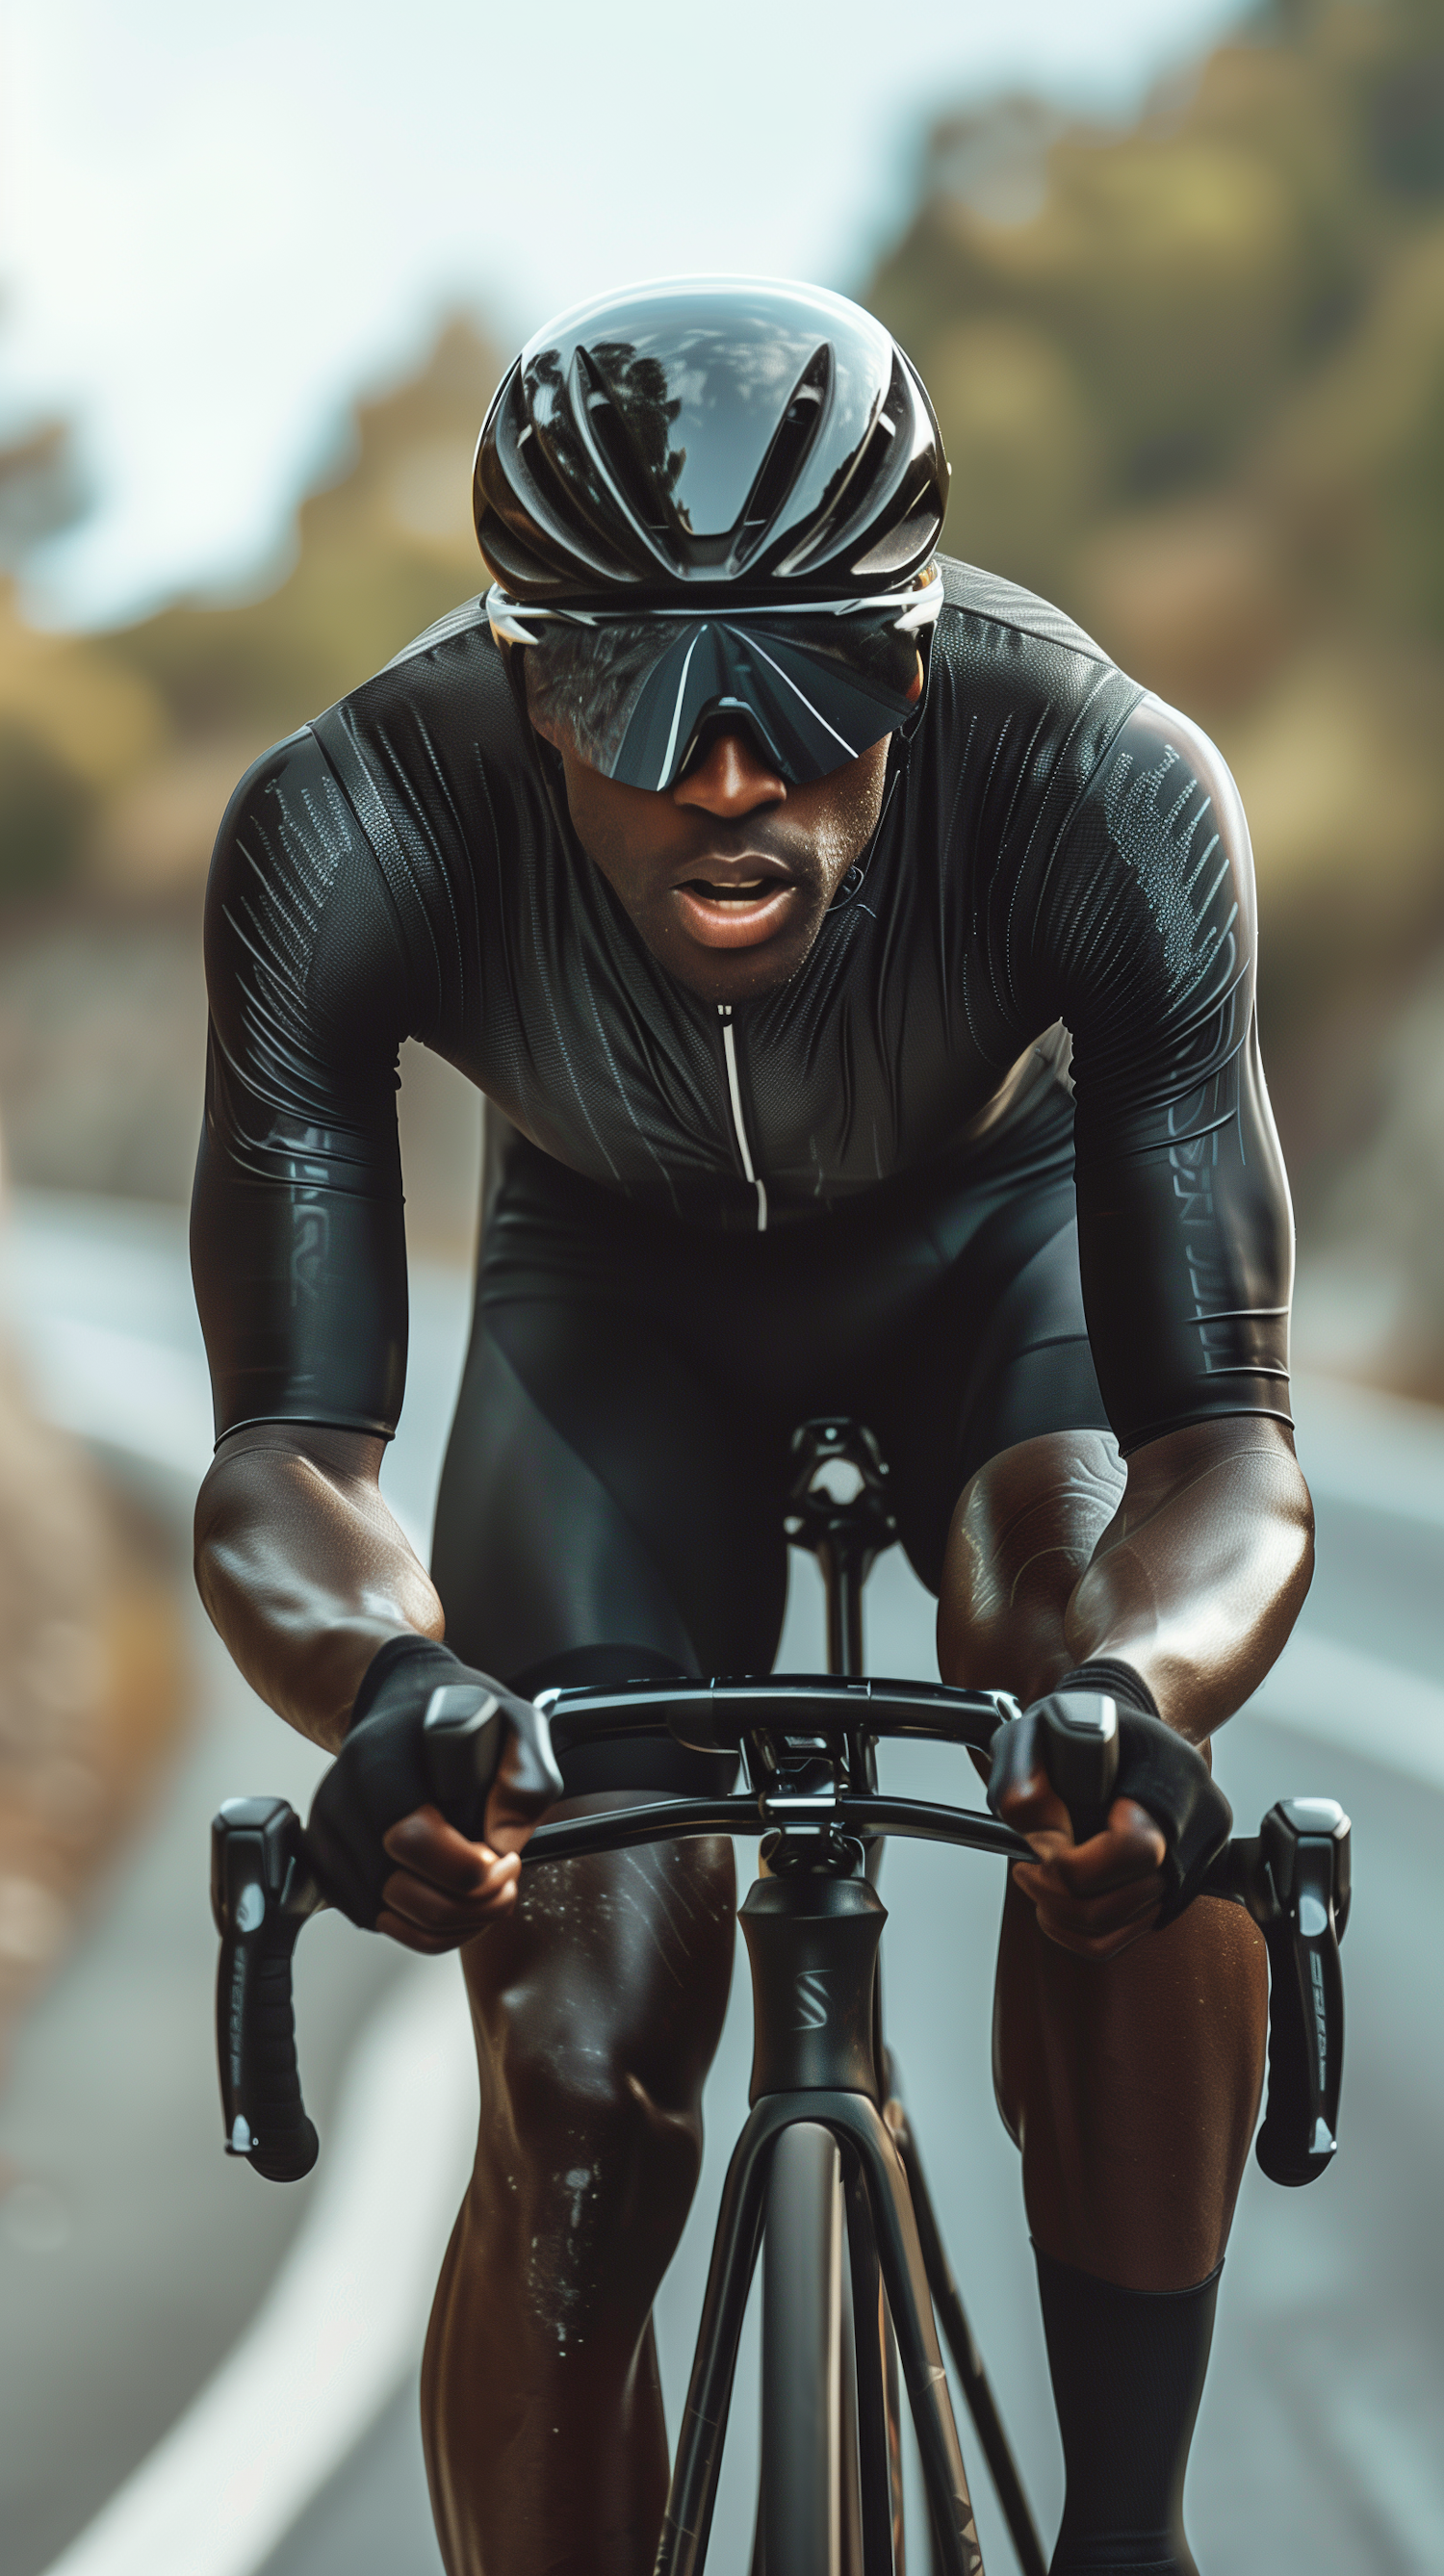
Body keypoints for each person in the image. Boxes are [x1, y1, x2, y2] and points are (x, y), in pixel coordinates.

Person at [191, 278, 1313, 2576]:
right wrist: (394, 1694)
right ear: (524, 677)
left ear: (912, 655)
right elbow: (288, 1453)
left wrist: (1141, 1693)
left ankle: (1134, 2538)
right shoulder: (349, 822)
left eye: (806, 696)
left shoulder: (1102, 777)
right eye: (638, 701)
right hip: (614, 1318)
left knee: (1106, 1756)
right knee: (581, 2061)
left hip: (1007, 1282)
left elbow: (1225, 1448)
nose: (727, 775)